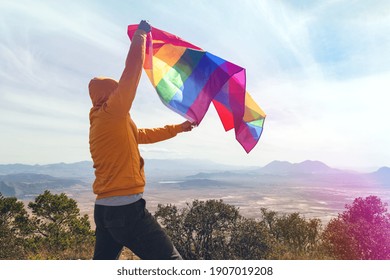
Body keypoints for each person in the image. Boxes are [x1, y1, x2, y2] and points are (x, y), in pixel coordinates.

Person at [88, 20, 193, 260]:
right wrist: (141, 35)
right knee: (171, 262)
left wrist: (178, 128)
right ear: (109, 95)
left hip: (104, 211)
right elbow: (131, 73)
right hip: (126, 211)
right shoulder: (113, 112)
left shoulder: (104, 124)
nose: (119, 94)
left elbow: (141, 136)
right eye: (115, 91)